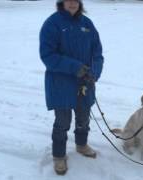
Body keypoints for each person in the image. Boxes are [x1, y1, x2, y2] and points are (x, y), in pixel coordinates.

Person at [39, 0, 104, 175]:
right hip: (61, 84)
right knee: (62, 122)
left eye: (76, 0)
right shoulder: (52, 24)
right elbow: (48, 55)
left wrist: (94, 73)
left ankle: (81, 145)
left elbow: (97, 53)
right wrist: (75, 67)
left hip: (85, 83)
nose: (73, 3)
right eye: (68, 0)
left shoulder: (87, 23)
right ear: (61, 2)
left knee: (83, 119)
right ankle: (59, 155)